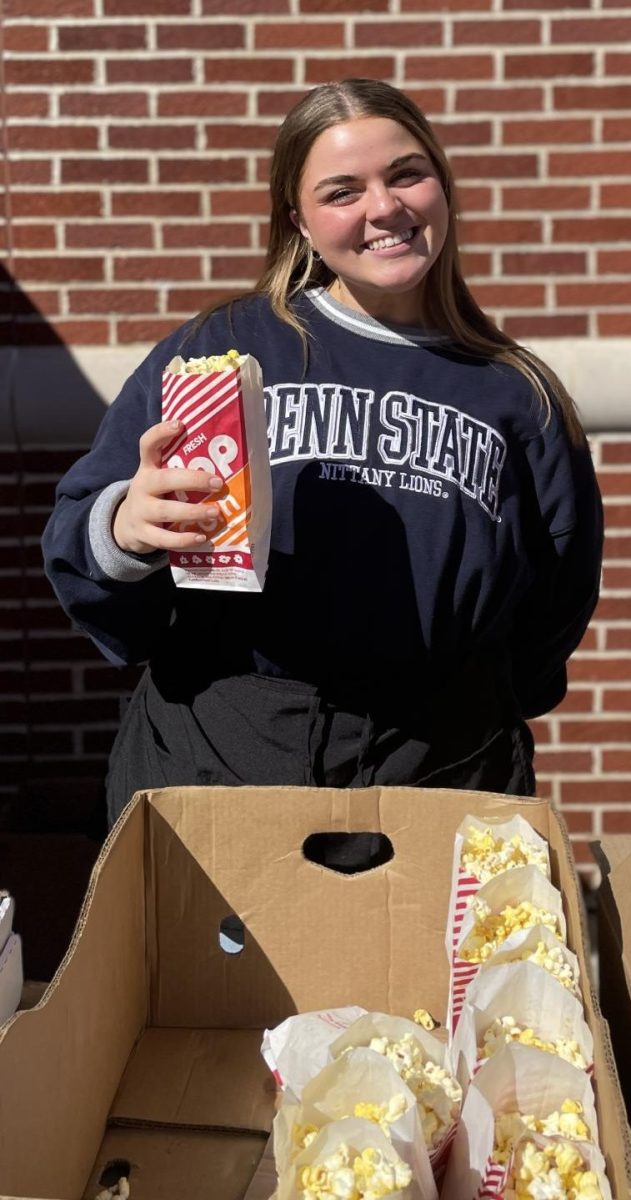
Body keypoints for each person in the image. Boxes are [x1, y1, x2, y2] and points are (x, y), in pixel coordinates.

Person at [43, 79, 603, 842]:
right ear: (298, 222)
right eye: (342, 191)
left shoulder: (519, 394)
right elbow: (79, 543)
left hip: (437, 773)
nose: (383, 208)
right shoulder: (225, 347)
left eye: (406, 174)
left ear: (441, 185)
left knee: (419, 967)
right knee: (217, 968)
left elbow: (554, 606)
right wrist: (126, 527)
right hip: (221, 759)